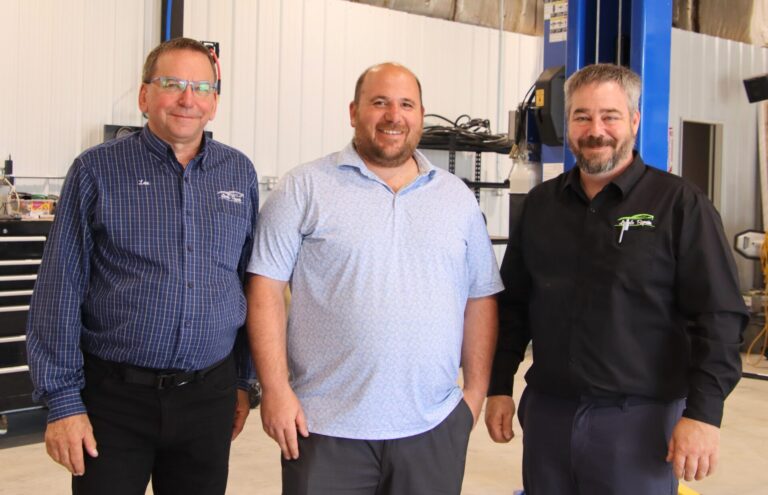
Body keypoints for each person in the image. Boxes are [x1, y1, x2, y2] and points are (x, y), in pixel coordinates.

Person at [485, 63, 748, 494]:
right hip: (549, 413)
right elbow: (514, 305)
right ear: (567, 122)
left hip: (640, 421)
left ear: (634, 121)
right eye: (582, 116)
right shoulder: (540, 206)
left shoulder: (680, 205)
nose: (596, 130)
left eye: (610, 115)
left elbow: (719, 316)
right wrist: (500, 385)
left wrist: (703, 414)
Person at [245, 62, 503, 495]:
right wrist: (275, 389)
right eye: (379, 102)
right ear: (353, 112)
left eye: (406, 104)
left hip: (432, 426)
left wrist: (474, 394)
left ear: (421, 116)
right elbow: (264, 289)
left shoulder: (456, 198)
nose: (393, 116)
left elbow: (482, 296)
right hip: (324, 427)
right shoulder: (304, 187)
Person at [26, 37, 258, 495]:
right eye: (171, 83)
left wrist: (245, 381)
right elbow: (59, 289)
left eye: (202, 87)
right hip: (114, 401)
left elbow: (250, 283)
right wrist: (63, 403)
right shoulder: (96, 170)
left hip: (208, 396)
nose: (187, 98)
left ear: (214, 102)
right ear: (144, 96)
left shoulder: (239, 174)